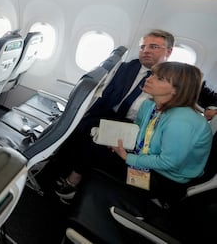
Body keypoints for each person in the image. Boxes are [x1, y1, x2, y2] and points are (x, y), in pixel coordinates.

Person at [57, 62, 212, 206]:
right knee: (95, 136)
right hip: (146, 155)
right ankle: (72, 179)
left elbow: (169, 163)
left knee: (95, 151)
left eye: (159, 78)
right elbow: (139, 130)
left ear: (176, 90)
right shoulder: (149, 105)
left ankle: (72, 184)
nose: (149, 79)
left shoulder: (182, 122)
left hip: (162, 179)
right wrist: (121, 141)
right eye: (152, 74)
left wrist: (127, 157)